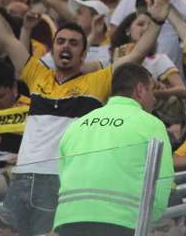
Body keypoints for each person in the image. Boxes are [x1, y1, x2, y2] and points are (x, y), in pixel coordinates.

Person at [0, 1, 163, 236]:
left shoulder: (97, 81)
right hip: (21, 177)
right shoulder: (37, 75)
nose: (66, 46)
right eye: (61, 41)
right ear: (53, 50)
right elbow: (6, 38)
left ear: (84, 54)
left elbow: (137, 54)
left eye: (74, 43)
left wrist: (157, 22)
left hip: (58, 181)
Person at [54, 63, 174, 236]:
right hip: (122, 221)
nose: (154, 99)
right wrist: (150, 218)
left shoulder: (77, 125)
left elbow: (62, 173)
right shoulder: (151, 124)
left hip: (68, 219)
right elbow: (162, 179)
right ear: (140, 90)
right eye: (151, 91)